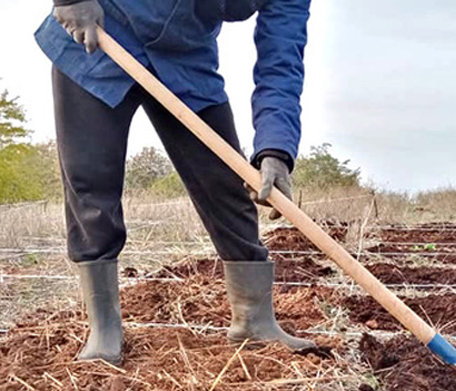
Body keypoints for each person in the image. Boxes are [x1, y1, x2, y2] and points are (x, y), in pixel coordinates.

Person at [34, 0, 315, 365]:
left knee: (226, 187)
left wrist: (276, 148)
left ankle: (255, 321)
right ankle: (104, 328)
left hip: (185, 58)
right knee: (91, 181)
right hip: (100, 34)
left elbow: (282, 58)